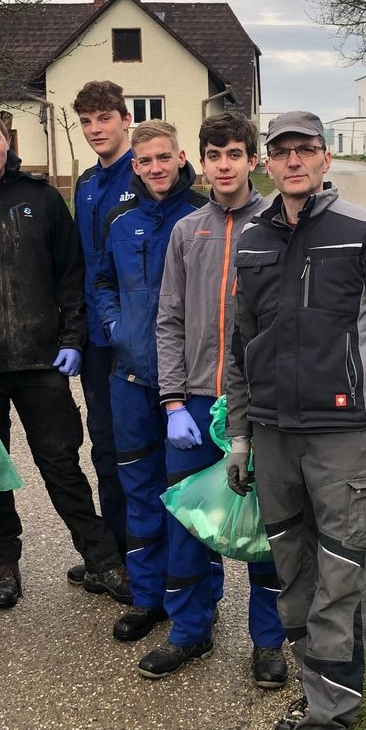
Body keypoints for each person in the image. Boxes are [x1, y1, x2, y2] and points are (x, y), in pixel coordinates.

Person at [224, 112, 366, 730]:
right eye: (281, 151)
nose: (293, 161)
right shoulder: (252, 239)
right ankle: (318, 691)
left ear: (324, 158)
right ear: (267, 161)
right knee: (295, 573)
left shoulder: (364, 231)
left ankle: (332, 715)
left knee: (341, 571)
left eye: (304, 150)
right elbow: (239, 346)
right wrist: (238, 435)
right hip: (274, 435)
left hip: (340, 437)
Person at [0, 105, 128, 610]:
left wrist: (71, 340)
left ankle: (102, 560)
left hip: (42, 361)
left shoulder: (41, 198)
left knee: (62, 465)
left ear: (7, 140)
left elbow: (72, 275)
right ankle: (4, 565)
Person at [154, 111, 288, 686]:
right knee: (190, 526)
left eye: (235, 153)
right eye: (214, 155)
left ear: (252, 160)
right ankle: (189, 630)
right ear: (200, 162)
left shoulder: (280, 225)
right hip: (195, 402)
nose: (225, 165)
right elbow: (169, 320)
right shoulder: (187, 231)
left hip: (260, 409)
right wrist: (172, 401)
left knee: (266, 528)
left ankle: (268, 643)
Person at [94, 120, 211, 673]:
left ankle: (194, 611)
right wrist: (114, 324)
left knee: (189, 500)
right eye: (146, 161)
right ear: (135, 166)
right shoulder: (120, 220)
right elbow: (101, 283)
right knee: (137, 488)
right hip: (131, 377)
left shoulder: (204, 216)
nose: (156, 168)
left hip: (188, 388)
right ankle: (147, 599)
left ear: (181, 157)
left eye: (165, 157)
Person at [69, 80, 135, 583]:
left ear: (124, 119)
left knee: (141, 446)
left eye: (104, 119)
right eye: (87, 121)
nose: (95, 130)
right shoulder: (86, 183)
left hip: (135, 338)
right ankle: (115, 555)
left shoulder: (147, 174)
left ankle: (148, 553)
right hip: (95, 338)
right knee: (105, 445)